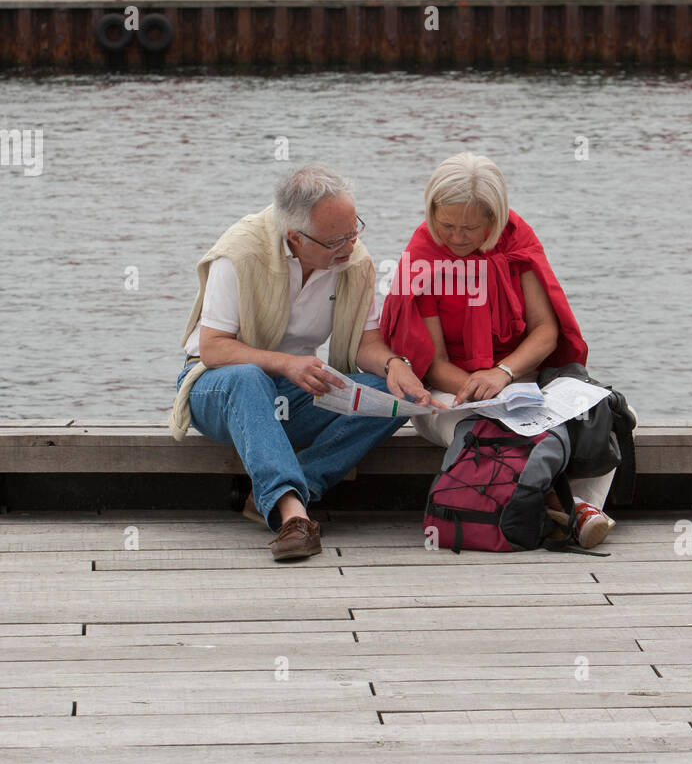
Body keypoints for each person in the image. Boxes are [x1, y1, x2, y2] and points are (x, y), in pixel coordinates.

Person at [169, 166, 434, 560]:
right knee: (248, 377)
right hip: (219, 389)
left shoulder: (353, 262)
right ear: (295, 237)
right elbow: (214, 350)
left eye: (354, 230)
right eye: (336, 240)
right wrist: (286, 363)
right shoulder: (240, 253)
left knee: (391, 394)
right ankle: (293, 516)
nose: (350, 245)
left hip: (291, 392)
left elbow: (366, 344)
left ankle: (281, 493)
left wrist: (395, 364)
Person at [380, 152, 616, 548]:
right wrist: (489, 393)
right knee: (496, 428)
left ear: (495, 218)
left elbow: (546, 332)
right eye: (447, 224)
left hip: (517, 383)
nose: (455, 237)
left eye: (470, 228)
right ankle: (570, 510)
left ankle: (576, 508)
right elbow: (434, 364)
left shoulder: (516, 244)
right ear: (431, 210)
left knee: (605, 413)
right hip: (451, 394)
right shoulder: (424, 257)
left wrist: (503, 376)